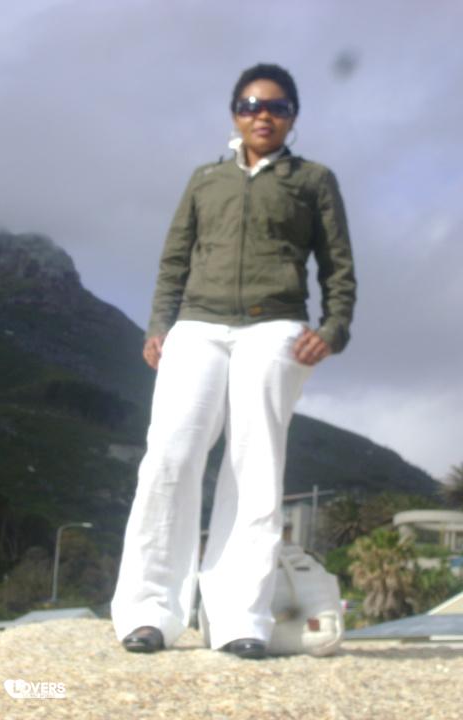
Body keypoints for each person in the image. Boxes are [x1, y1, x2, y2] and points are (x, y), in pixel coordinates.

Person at [110, 63, 356, 660]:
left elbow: (339, 266)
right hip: (198, 323)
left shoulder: (313, 181)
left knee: (255, 462)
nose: (262, 115)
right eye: (250, 105)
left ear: (292, 116)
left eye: (276, 106)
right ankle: (149, 611)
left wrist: (333, 330)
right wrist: (160, 325)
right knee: (170, 455)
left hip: (275, 325)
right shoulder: (205, 180)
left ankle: (239, 618)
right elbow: (175, 259)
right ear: (235, 114)